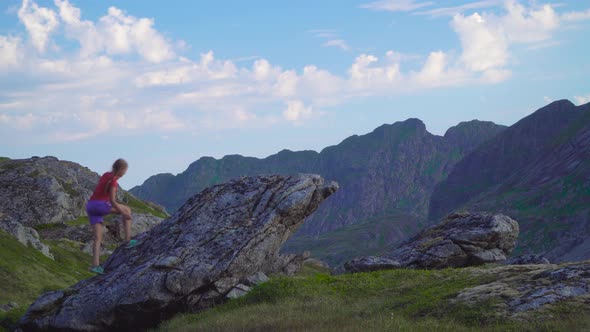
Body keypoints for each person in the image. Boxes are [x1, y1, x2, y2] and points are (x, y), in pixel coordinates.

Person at [86, 158, 138, 274]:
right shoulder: (114, 181)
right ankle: (128, 240)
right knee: (127, 209)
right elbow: (113, 201)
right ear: (120, 170)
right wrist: (124, 213)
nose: (125, 173)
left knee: (98, 238)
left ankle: (95, 265)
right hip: (99, 205)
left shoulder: (106, 175)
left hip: (91, 206)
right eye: (125, 170)